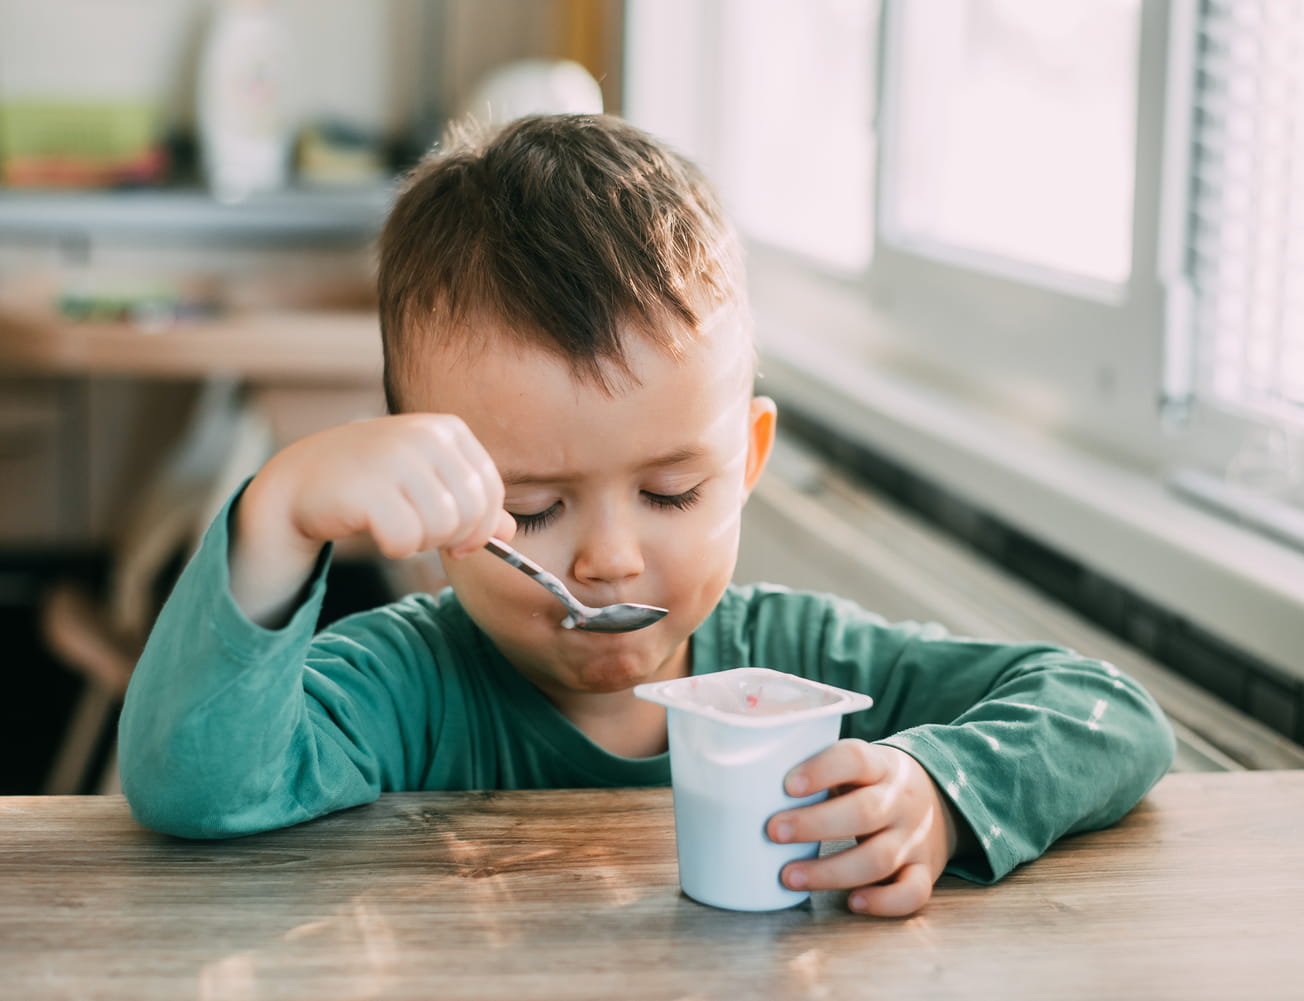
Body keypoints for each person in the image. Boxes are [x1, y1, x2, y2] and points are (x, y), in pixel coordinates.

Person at [119, 113, 1174, 918]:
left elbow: (1108, 712)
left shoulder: (799, 660)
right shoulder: (411, 687)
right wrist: (278, 517)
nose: (614, 558)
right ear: (430, 490)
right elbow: (193, 787)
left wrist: (940, 791)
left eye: (673, 492)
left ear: (748, 458)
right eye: (530, 508)